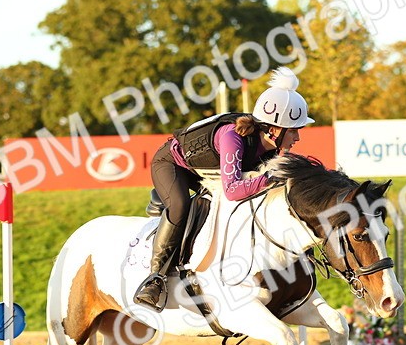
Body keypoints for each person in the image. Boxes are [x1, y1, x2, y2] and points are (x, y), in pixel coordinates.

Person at [133, 67, 315, 311]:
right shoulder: (233, 137)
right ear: (275, 129)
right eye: (294, 130)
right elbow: (233, 190)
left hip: (206, 172)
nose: (297, 138)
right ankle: (155, 278)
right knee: (180, 206)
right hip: (172, 165)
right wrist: (270, 178)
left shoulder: (270, 148)